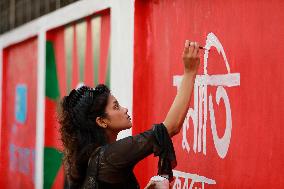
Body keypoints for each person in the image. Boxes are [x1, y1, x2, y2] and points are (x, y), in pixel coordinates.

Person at [59, 40, 200, 189]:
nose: (124, 109)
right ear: (101, 121)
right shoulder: (109, 157)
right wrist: (189, 72)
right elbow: (170, 128)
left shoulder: (95, 158)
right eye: (116, 106)